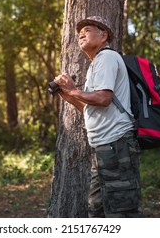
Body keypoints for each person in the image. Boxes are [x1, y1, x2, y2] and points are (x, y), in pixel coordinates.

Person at [54, 16, 141, 218]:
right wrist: (69, 97)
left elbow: (103, 98)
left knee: (122, 212)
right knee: (97, 209)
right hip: (103, 149)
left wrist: (74, 90)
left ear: (104, 36)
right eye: (79, 33)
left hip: (117, 146)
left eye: (87, 29)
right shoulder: (96, 64)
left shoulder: (107, 58)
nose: (81, 34)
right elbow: (90, 109)